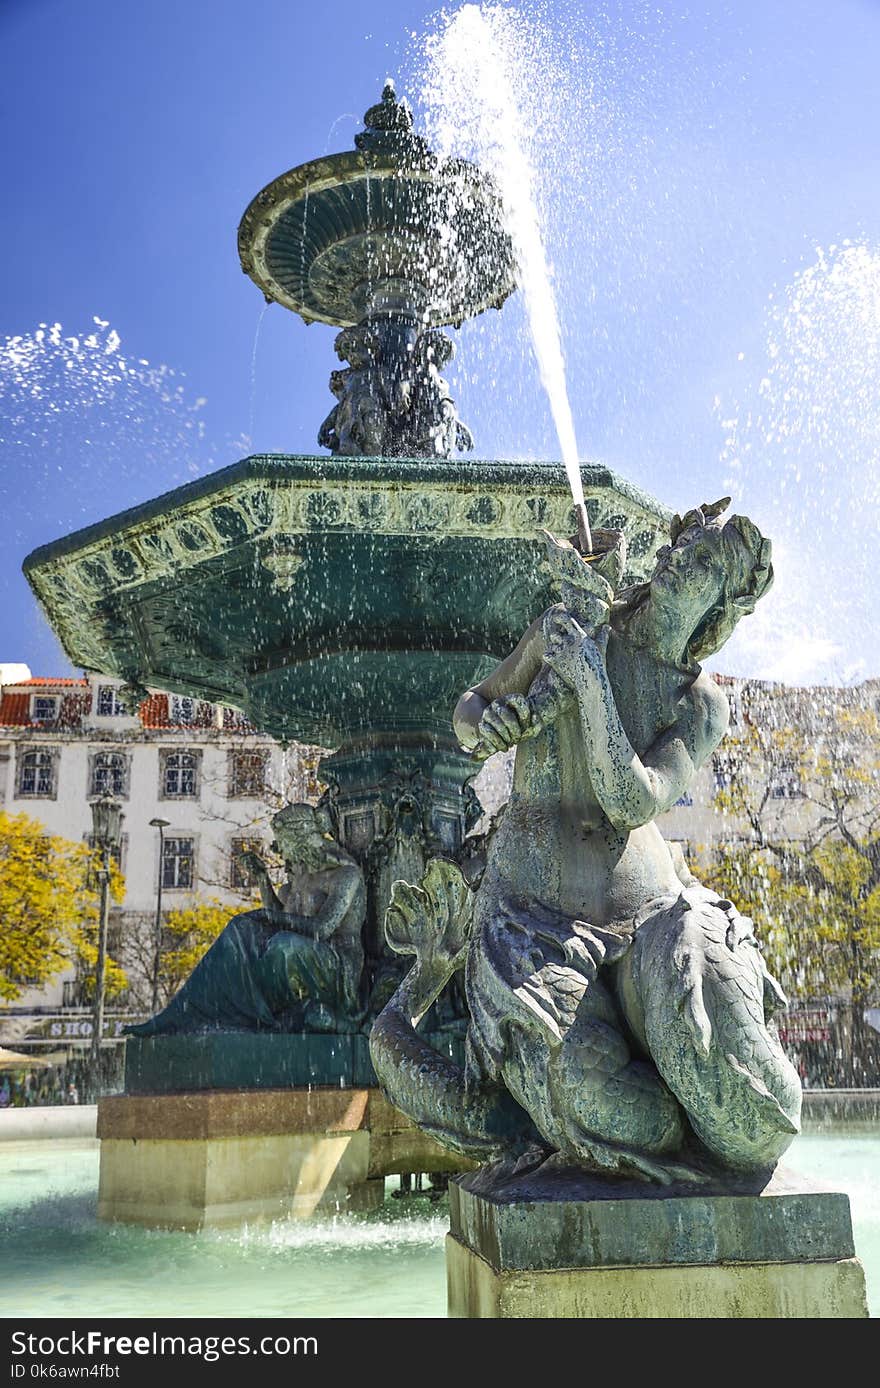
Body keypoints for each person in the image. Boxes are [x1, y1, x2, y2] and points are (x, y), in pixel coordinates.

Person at [372, 500, 801, 1180]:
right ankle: (644, 1112)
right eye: (681, 546)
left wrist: (591, 676)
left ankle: (698, 1097)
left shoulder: (698, 701)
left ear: (725, 601)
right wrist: (485, 726)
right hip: (532, 922)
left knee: (752, 1116)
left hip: (652, 915)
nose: (675, 559)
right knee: (603, 1104)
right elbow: (471, 706)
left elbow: (632, 801)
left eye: (703, 562)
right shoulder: (568, 623)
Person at [129, 804, 366, 1036]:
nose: (279, 851)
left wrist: (269, 916)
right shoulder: (299, 879)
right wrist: (263, 880)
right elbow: (281, 918)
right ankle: (188, 1016)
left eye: (282, 842)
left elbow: (322, 929)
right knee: (240, 929)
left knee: (282, 946)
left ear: (298, 838)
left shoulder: (345, 875)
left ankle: (261, 1017)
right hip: (300, 953)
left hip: (337, 964)